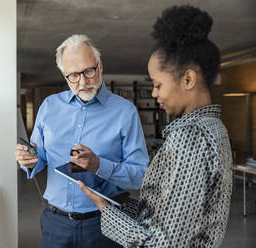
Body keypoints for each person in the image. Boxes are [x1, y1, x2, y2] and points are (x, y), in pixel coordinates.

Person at [78, 5, 233, 248]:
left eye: (158, 84)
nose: (154, 93)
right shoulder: (215, 128)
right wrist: (122, 203)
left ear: (188, 79)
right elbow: (170, 215)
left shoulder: (190, 137)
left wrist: (105, 209)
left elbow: (163, 244)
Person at [15, 34, 149, 248]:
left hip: (106, 223)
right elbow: (38, 156)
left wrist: (99, 166)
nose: (83, 82)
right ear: (64, 74)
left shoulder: (125, 112)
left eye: (89, 71)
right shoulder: (49, 107)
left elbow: (141, 175)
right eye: (73, 75)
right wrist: (28, 160)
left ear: (100, 66)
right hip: (55, 222)